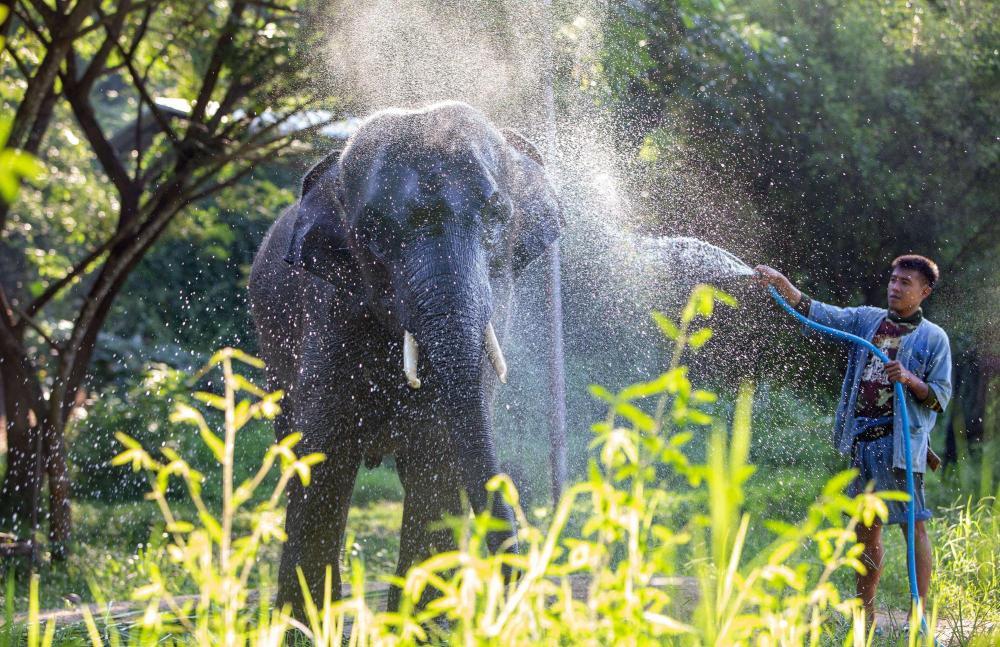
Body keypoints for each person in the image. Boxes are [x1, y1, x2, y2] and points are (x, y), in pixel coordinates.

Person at [755, 255, 952, 629]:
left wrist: (909, 379)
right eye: (893, 279)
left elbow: (939, 397)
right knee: (866, 530)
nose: (895, 287)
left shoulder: (933, 338)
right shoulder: (867, 319)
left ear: (924, 292)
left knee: (914, 526)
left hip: (901, 447)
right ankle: (865, 615)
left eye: (905, 282)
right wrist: (784, 285)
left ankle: (918, 616)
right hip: (863, 441)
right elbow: (821, 313)